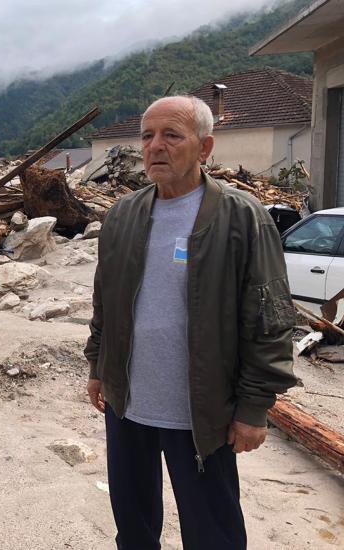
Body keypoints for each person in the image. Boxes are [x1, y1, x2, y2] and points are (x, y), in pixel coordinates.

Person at [84, 95, 296, 549]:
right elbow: (106, 301)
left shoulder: (242, 218)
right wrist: (98, 366)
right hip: (128, 406)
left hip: (202, 412)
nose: (155, 146)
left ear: (204, 147)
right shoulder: (123, 215)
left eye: (172, 135)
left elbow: (271, 320)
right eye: (147, 136)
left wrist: (254, 408)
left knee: (212, 532)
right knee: (134, 526)